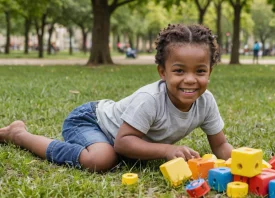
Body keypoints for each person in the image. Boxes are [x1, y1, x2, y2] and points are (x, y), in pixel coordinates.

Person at [0, 24, 234, 172]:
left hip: (122, 137)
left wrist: (250, 166)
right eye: (179, 71)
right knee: (102, 160)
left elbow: (220, 145)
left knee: (116, 156)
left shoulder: (206, 102)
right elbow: (123, 142)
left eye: (200, 71)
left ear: (210, 72)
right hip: (90, 121)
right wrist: (165, 150)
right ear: (163, 72)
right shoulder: (150, 99)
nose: (191, 80)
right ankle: (19, 135)